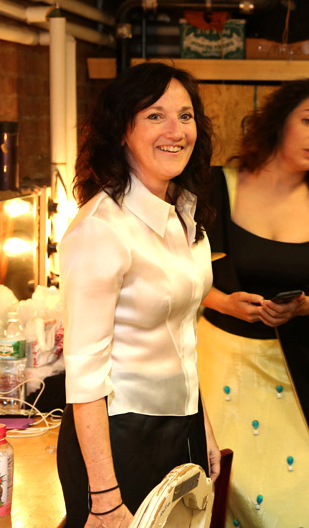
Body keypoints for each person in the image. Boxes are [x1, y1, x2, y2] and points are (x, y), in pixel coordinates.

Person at [57, 62, 220, 527]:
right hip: (117, 440)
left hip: (180, 427)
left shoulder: (184, 214)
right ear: (122, 131)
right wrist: (105, 498)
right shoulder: (101, 229)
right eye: (154, 116)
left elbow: (181, 338)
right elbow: (85, 376)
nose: (176, 131)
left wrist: (201, 426)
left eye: (185, 116)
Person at [197, 78, 309, 526]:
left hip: (297, 365)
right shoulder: (217, 185)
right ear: (279, 122)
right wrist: (224, 303)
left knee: (303, 499)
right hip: (219, 361)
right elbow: (177, 278)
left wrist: (303, 307)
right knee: (221, 490)